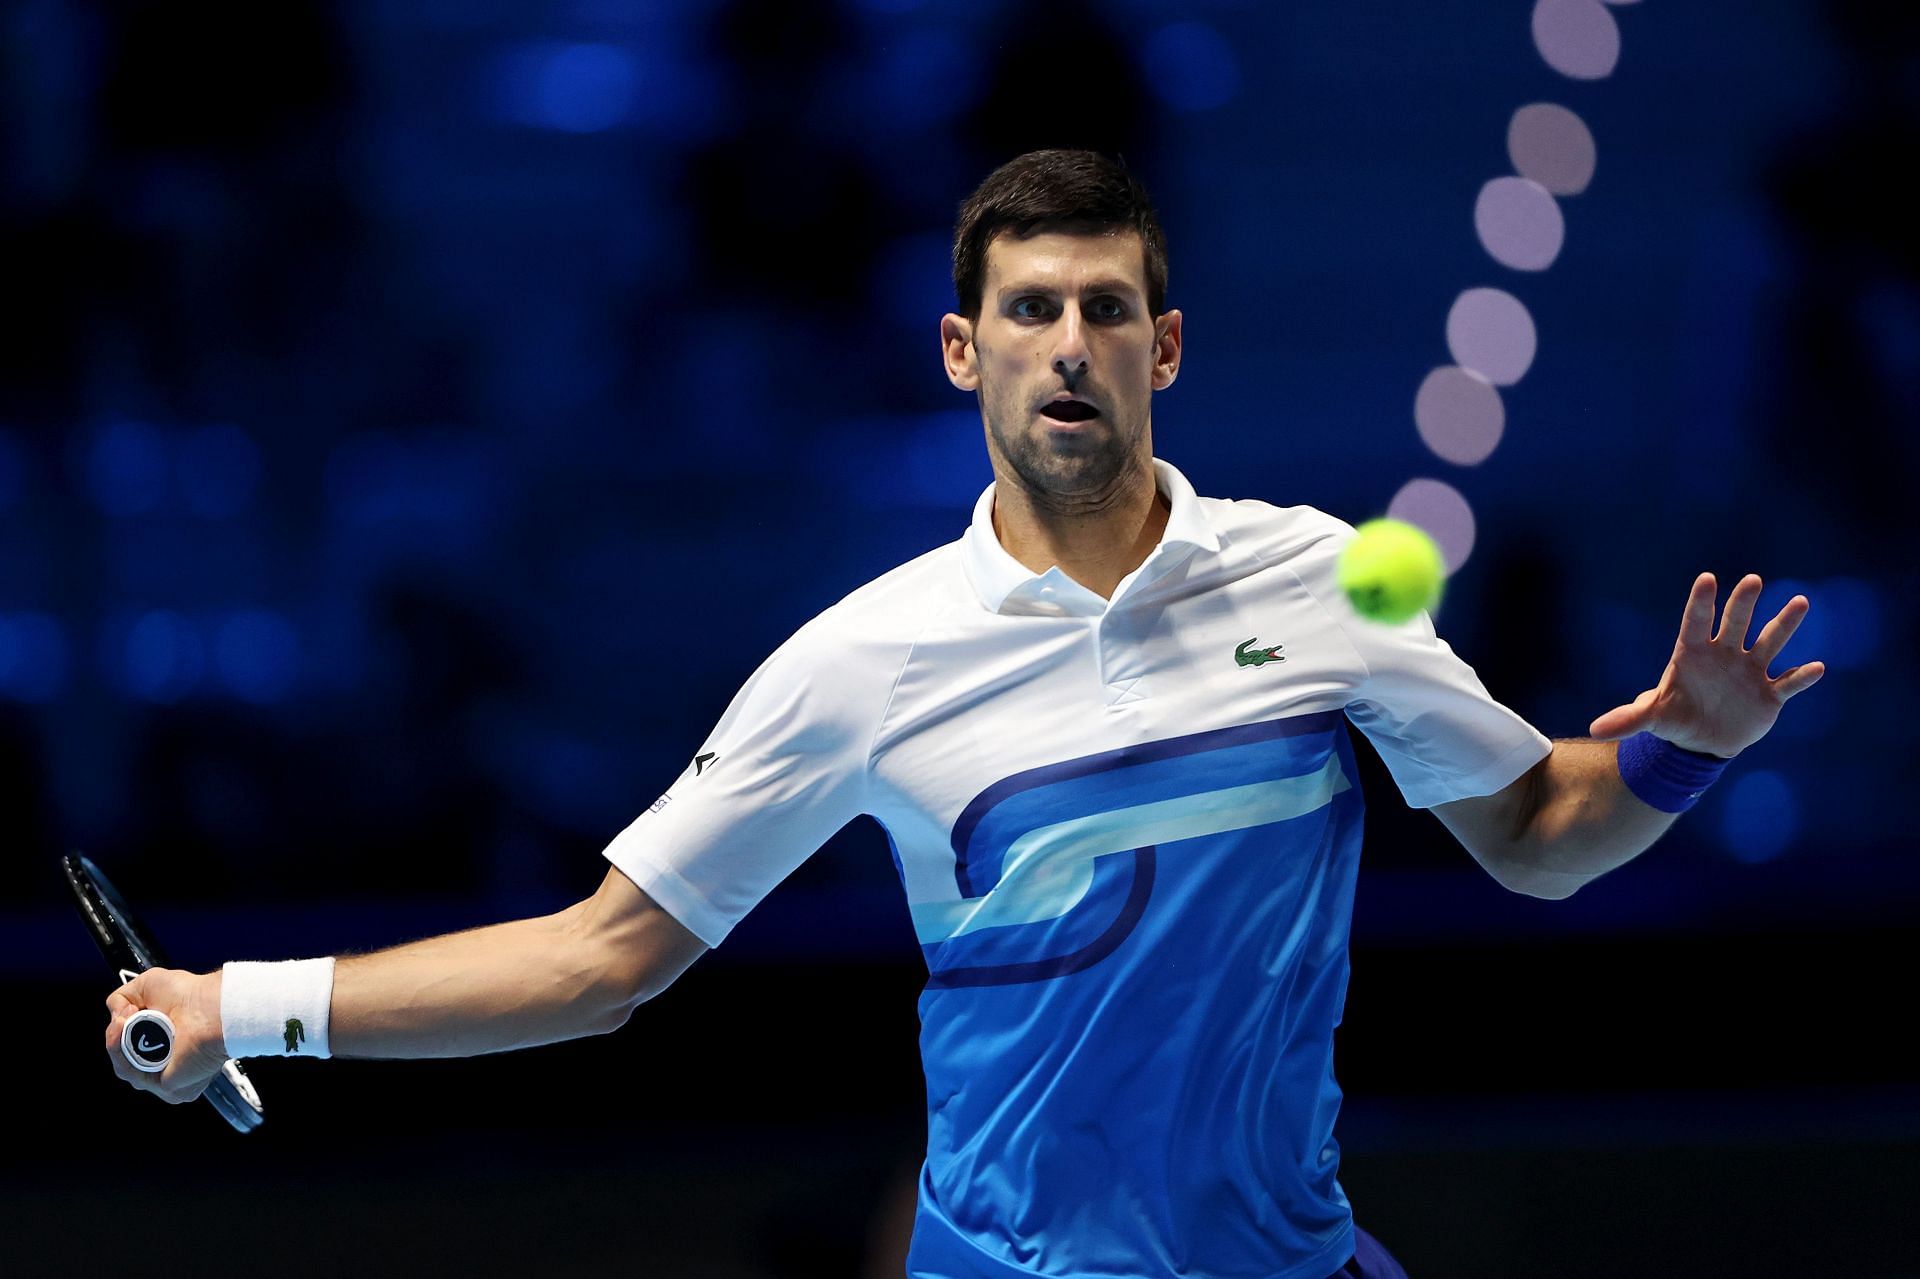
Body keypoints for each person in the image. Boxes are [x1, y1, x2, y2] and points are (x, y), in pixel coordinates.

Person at [105, 149, 1827, 1279]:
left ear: (1167, 345)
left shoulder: (1317, 583)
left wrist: (1687, 746)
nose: (1067, 344)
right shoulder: (863, 658)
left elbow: (1534, 839)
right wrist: (245, 1005)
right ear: (961, 351)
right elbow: (598, 958)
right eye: (1028, 311)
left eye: (1103, 311)